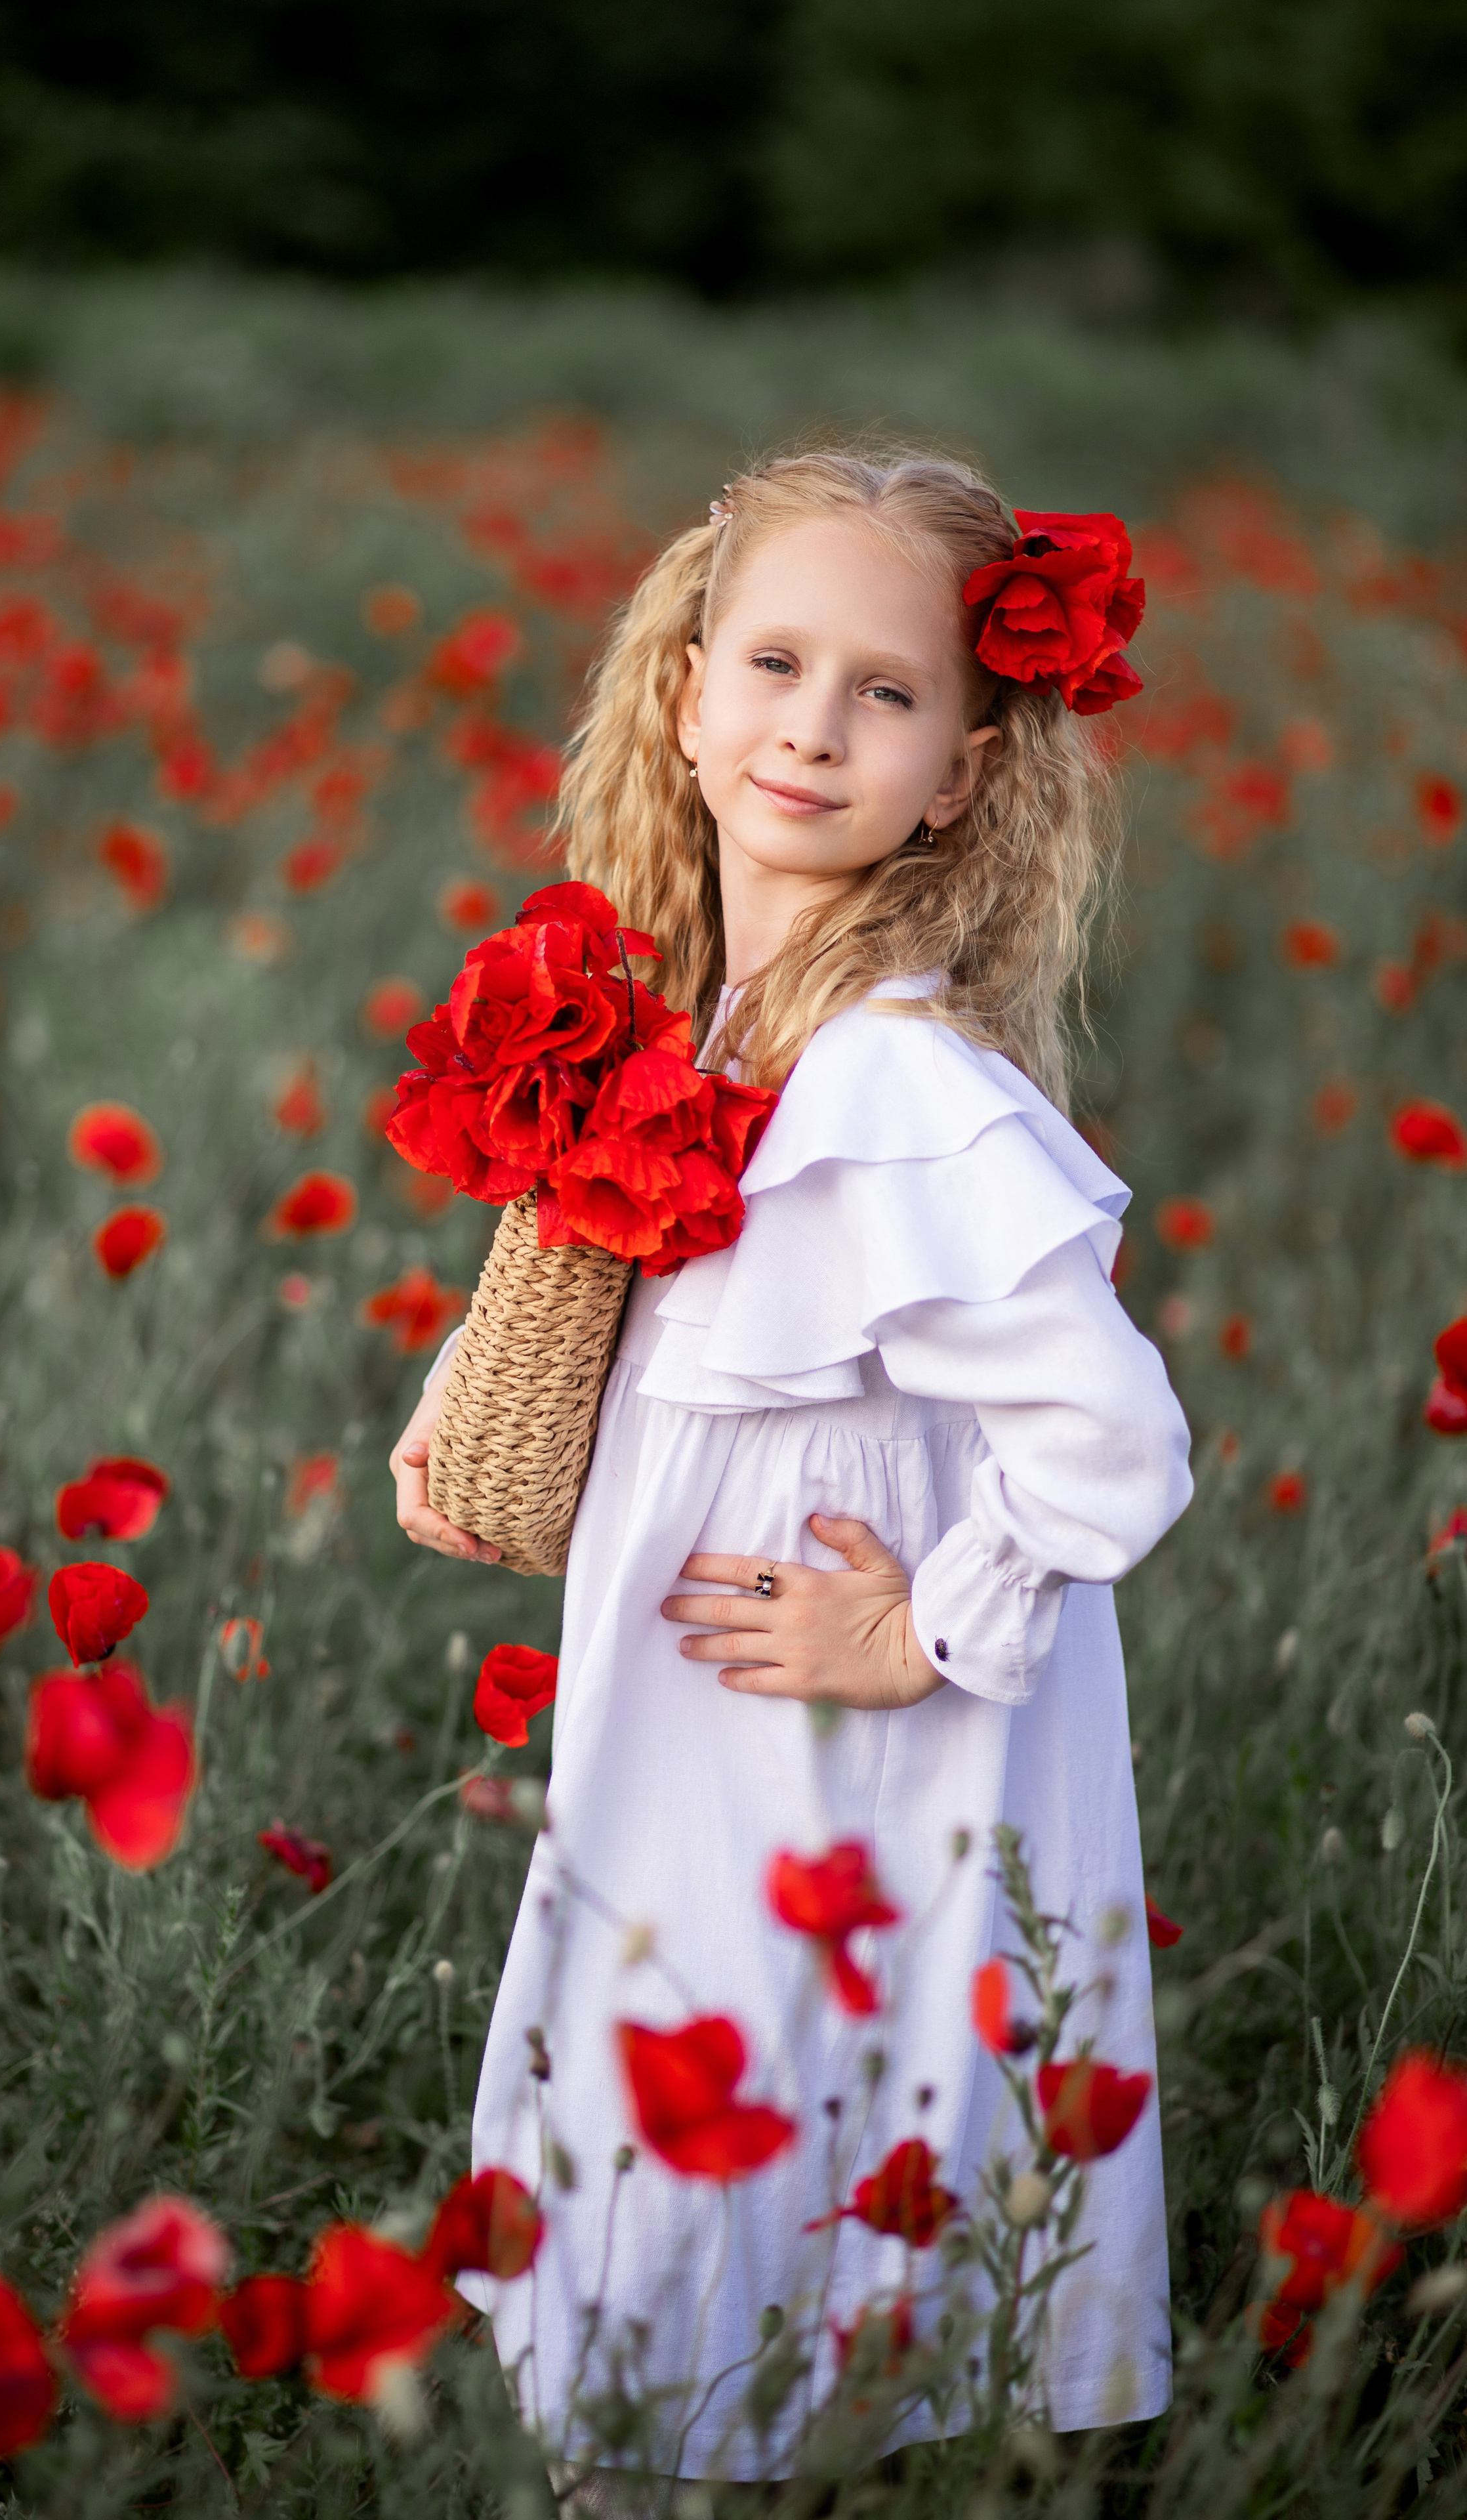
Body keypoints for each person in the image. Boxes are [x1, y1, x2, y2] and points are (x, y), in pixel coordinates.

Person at [389, 448, 1193, 2489]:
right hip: (694, 1752)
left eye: (888, 691)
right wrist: (475, 1387)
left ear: (961, 774)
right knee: (689, 2169)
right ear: (681, 694)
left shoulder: (892, 1081)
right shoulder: (725, 1022)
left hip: (813, 1765)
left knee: (731, 2184)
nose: (815, 725)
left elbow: (1116, 1445)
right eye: (773, 661)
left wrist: (929, 1627)